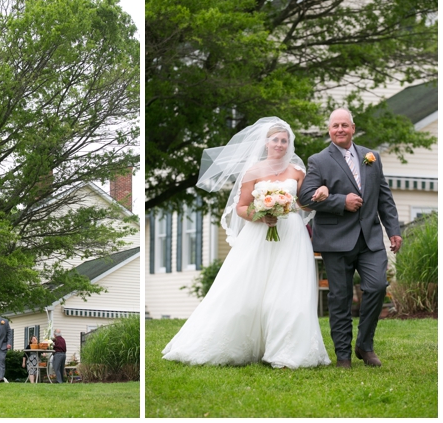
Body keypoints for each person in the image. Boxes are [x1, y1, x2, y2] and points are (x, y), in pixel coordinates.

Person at [162, 116, 332, 369]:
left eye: (284, 140)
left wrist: (321, 193)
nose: (280, 144)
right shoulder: (253, 172)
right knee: (244, 289)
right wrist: (262, 216)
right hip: (258, 235)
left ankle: (287, 352)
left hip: (292, 235)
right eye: (275, 139)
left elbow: (303, 204)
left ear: (289, 144)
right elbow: (241, 207)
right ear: (266, 143)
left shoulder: (298, 172)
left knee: (289, 292)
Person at [299, 109, 401, 368]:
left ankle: (364, 346)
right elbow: (306, 197)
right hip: (335, 240)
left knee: (377, 286)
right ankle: (343, 355)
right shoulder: (318, 160)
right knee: (340, 298)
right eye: (335, 126)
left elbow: (384, 197)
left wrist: (394, 230)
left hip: (370, 239)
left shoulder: (372, 157)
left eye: (345, 125)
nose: (340, 129)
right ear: (330, 130)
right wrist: (340, 201)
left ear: (353, 128)